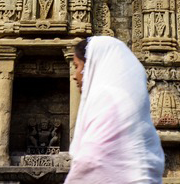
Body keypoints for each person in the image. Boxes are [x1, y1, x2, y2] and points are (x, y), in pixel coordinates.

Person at [67, 36, 163, 184]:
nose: (75, 75)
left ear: (91, 66)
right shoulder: (126, 100)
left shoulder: (106, 99)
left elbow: (93, 160)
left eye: (77, 66)